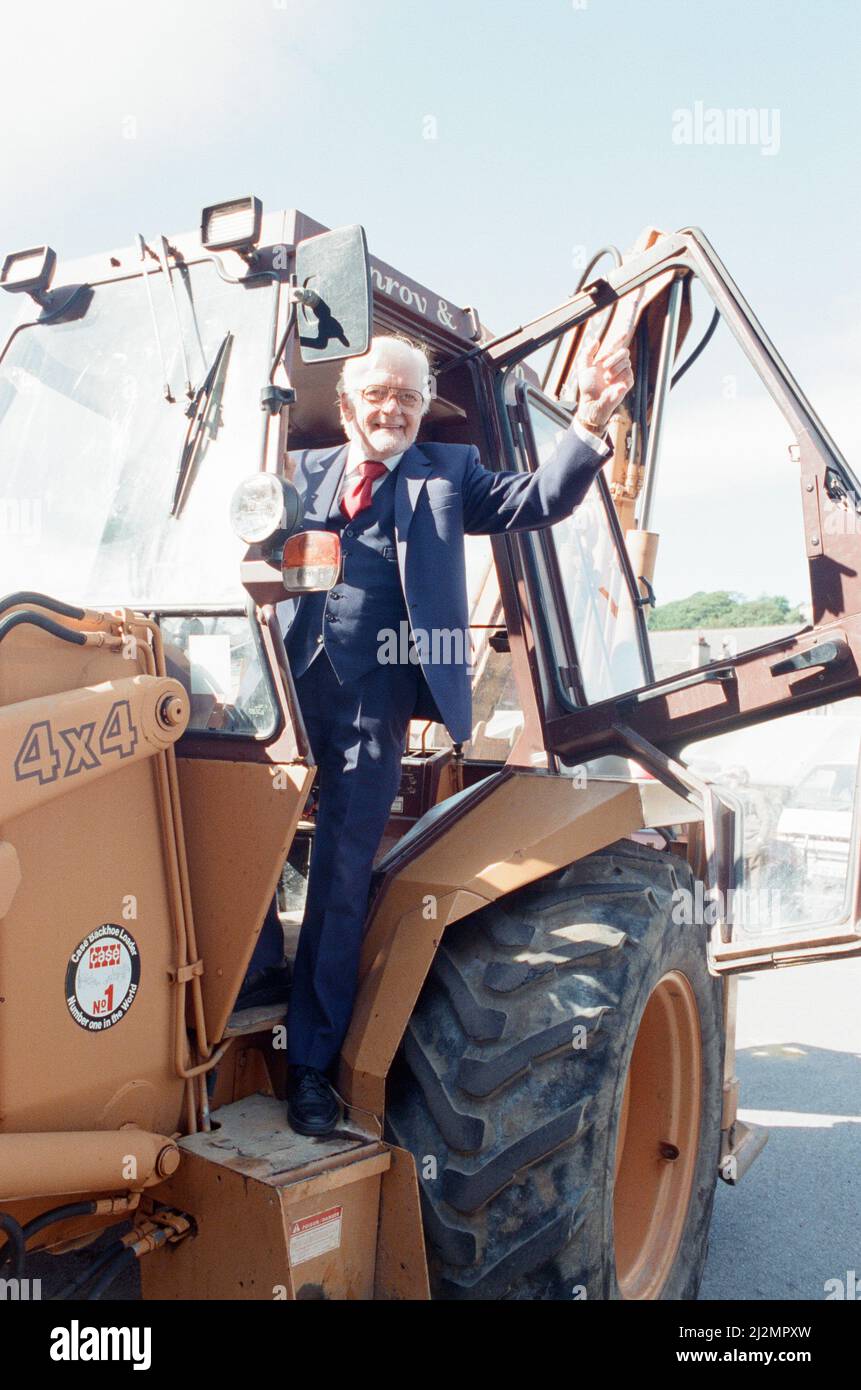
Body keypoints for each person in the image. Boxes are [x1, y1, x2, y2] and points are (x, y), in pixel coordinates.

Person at [251, 332, 632, 1135]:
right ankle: (248, 989)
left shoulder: (447, 476)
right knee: (237, 840)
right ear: (351, 399)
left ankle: (312, 1067)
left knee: (340, 878)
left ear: (424, 410)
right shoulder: (298, 471)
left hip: (373, 700)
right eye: (379, 393)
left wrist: (591, 418)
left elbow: (539, 500)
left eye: (410, 398)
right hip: (282, 688)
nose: (392, 408)